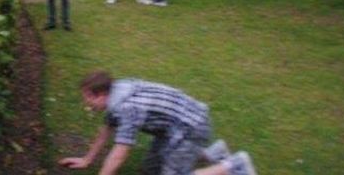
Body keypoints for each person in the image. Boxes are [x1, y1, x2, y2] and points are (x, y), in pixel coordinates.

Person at [58, 71, 257, 175]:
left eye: (87, 97)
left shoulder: (126, 107)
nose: (85, 102)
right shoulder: (117, 91)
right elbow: (106, 129)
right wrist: (87, 159)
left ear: (101, 94)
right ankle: (216, 153)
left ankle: (236, 165)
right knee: (150, 170)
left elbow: (119, 155)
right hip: (171, 128)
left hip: (191, 127)